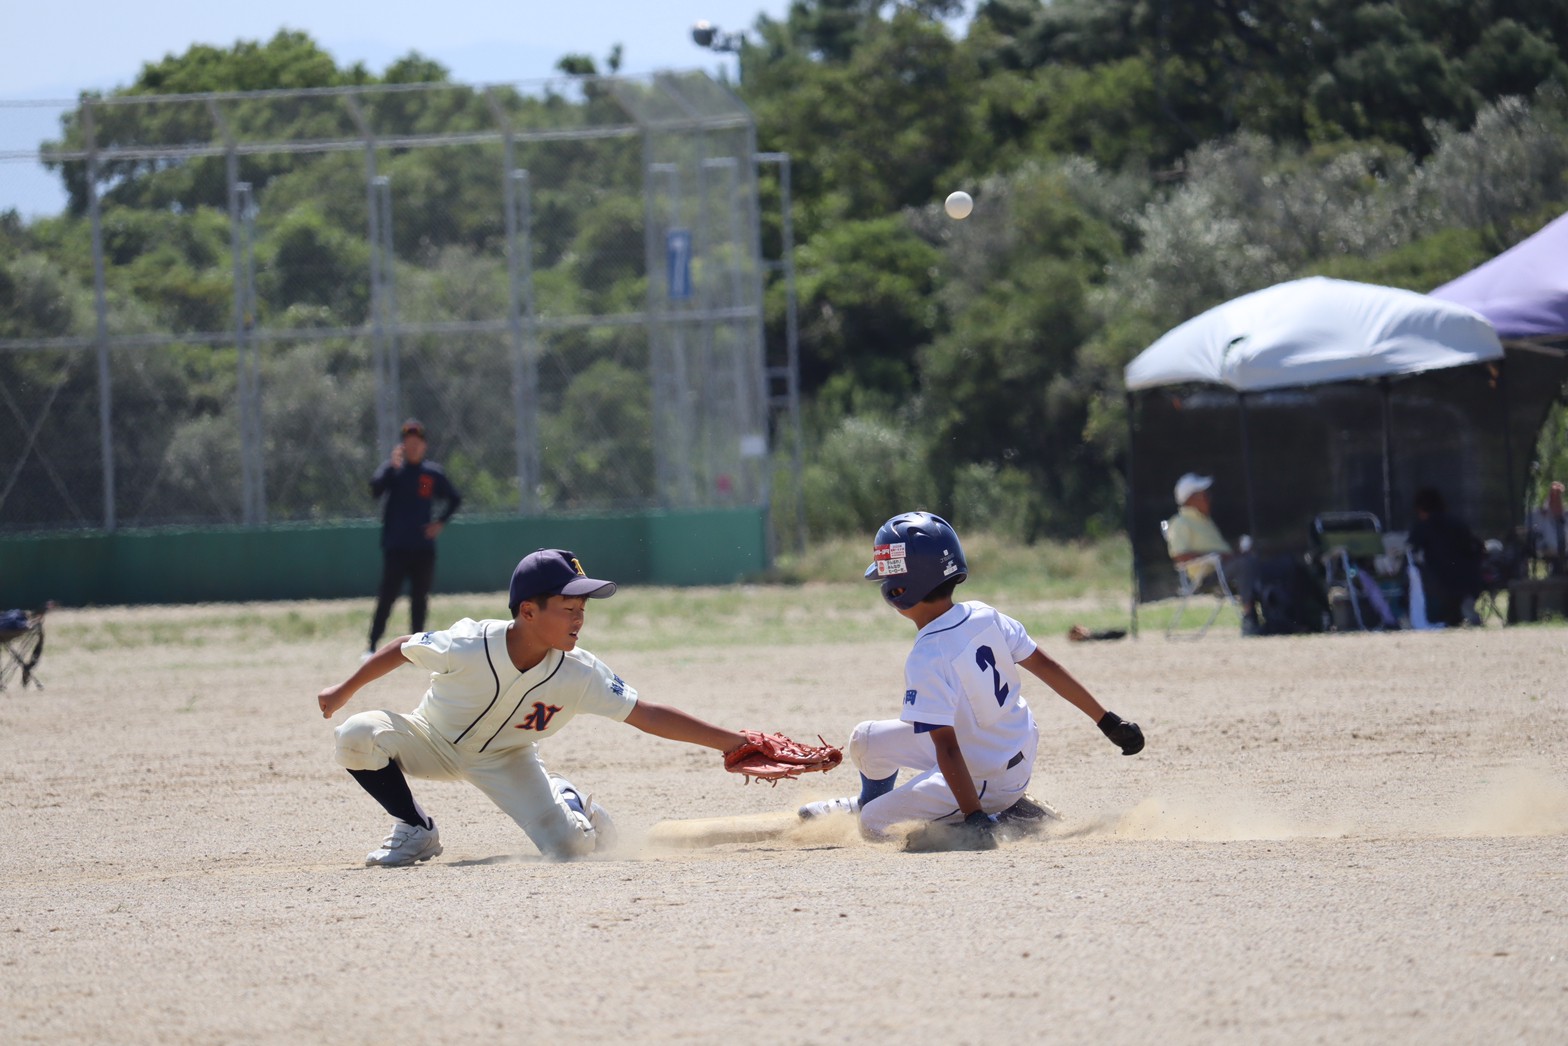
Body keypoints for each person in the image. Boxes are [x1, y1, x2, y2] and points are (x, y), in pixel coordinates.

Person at [318, 548, 759, 867]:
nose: (578, 619)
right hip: (428, 739)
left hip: (507, 760)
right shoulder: (472, 642)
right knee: (356, 735)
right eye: (567, 607)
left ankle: (573, 802)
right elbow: (403, 647)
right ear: (528, 612)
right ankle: (415, 829)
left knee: (568, 849)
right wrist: (345, 689)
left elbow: (647, 713)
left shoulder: (579, 673)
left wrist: (733, 742)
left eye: (582, 608)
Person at [797, 511, 1145, 848]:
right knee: (866, 739)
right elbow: (1048, 666)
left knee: (872, 824)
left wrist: (975, 816)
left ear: (899, 591)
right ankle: (874, 799)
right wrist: (1107, 721)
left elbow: (947, 747)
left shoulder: (927, 655)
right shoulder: (985, 614)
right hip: (1010, 744)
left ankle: (1000, 815)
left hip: (985, 775)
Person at [366, 419, 463, 658]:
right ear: (402, 445)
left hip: (422, 548)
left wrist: (440, 522)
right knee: (387, 596)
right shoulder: (393, 470)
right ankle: (371, 645)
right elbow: (375, 490)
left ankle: (417, 647)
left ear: (424, 445)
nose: (412, 447)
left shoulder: (431, 473)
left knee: (419, 598)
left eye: (417, 442)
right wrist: (391, 466)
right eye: (408, 442)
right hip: (396, 546)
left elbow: (454, 498)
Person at [1163, 473, 1262, 635]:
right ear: (1191, 498)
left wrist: (1236, 552)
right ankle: (1249, 619)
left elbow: (1222, 553)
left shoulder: (1205, 521)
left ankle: (1278, 616)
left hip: (1224, 568)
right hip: (1207, 576)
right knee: (1245, 564)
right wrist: (1214, 556)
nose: (1209, 498)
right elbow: (1179, 557)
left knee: (1257, 561)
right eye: (1204, 494)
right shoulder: (1180, 523)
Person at [1407, 486, 1484, 627]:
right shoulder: (1458, 523)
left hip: (1440, 579)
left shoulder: (1423, 526)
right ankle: (1463, 609)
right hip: (1470, 577)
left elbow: (1411, 550)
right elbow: (1477, 547)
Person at [1528, 481, 1566, 576]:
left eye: (1558, 497)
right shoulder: (1540, 515)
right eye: (1554, 496)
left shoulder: (1565, 516)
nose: (1556, 500)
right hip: (1547, 548)